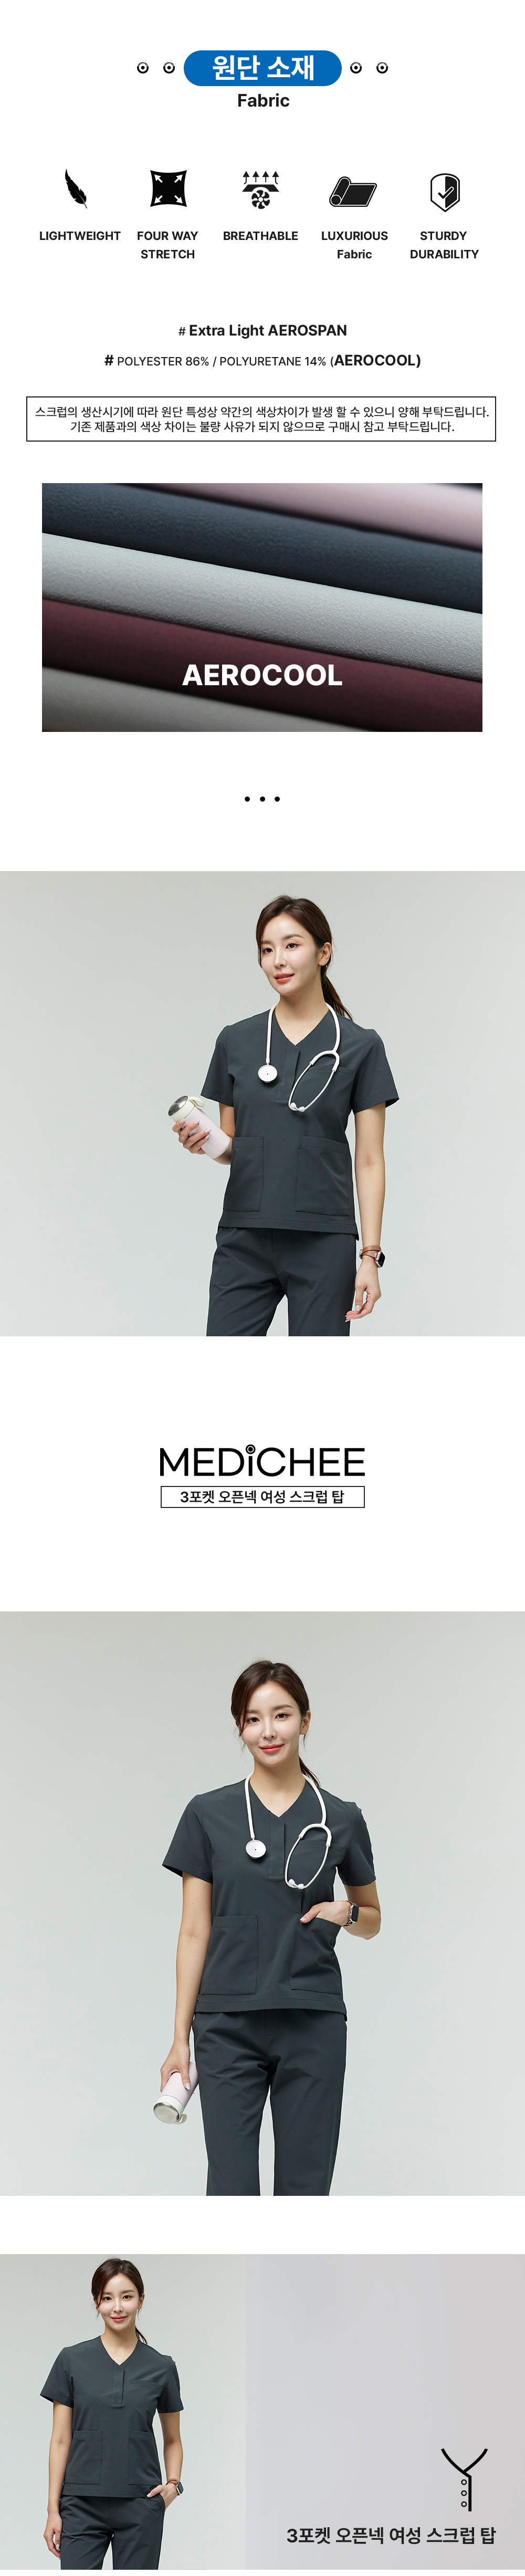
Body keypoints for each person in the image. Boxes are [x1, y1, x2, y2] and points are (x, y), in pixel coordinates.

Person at [161, 1661, 381, 2196]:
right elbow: (194, 1931)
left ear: (305, 1720)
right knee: (231, 2189)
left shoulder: (341, 1817)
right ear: (240, 1727)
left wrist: (346, 1913)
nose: (268, 1731)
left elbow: (372, 1917)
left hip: (312, 2019)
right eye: (253, 1718)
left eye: (281, 1715)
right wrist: (179, 2039)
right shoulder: (208, 1814)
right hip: (226, 2024)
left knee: (305, 2189)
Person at [173, 894, 398, 1338]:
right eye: (267, 949)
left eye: (292, 945)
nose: (278, 960)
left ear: (323, 953)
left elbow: (371, 1159)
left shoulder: (361, 1046)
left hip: (323, 1239)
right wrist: (203, 1142)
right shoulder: (236, 1041)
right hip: (245, 1235)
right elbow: (234, 1148)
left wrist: (370, 1257)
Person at [42, 2259, 183, 2568]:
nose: (117, 2307)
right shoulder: (71, 2360)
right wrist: (53, 2509)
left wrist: (173, 2486)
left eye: (127, 2296)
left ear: (141, 2300)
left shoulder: (162, 2367)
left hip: (141, 2503)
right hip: (80, 2504)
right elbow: (61, 2440)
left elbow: (173, 2439)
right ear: (97, 2303)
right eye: (107, 2298)